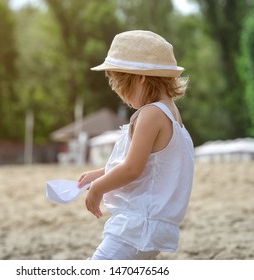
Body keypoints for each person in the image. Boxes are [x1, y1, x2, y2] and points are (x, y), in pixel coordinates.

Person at [77, 30, 195, 260]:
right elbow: (151, 163)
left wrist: (99, 188)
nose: (122, 97)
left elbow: (132, 168)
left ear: (140, 78)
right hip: (154, 225)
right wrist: (99, 173)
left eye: (122, 87)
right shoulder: (172, 115)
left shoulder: (151, 114)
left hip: (138, 224)